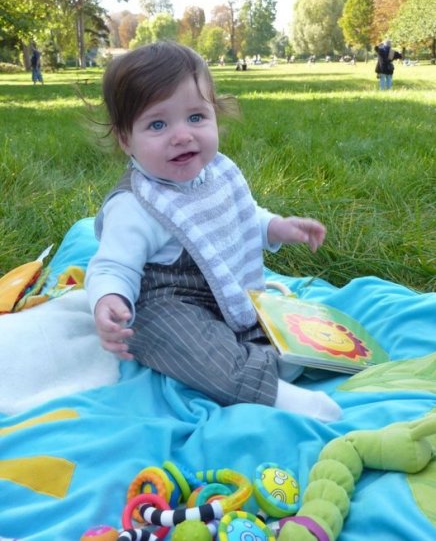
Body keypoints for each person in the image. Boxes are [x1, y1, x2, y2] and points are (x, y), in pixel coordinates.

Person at [85, 41, 342, 423]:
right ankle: (269, 390)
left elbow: (240, 217)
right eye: (157, 124)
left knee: (259, 319)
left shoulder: (216, 173)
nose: (181, 135)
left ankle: (269, 355)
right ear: (126, 140)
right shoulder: (135, 205)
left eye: (195, 117)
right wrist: (108, 299)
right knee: (186, 344)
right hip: (166, 303)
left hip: (221, 292)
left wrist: (276, 227)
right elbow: (112, 265)